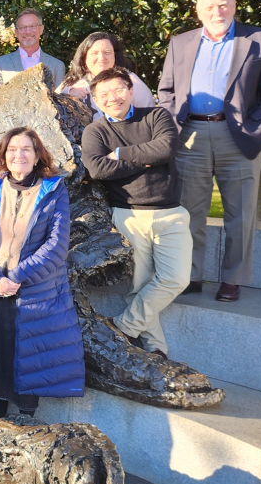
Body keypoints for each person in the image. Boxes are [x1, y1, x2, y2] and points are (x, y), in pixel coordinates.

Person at [157, 0, 261, 302]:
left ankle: (232, 279)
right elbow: (167, 92)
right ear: (198, 11)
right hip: (190, 136)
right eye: (209, 7)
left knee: (239, 214)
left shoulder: (259, 40)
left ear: (234, 5)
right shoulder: (180, 42)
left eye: (223, 5)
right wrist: (172, 129)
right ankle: (192, 275)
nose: (217, 12)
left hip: (237, 137)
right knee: (189, 212)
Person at [0, 127, 84, 418]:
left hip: (35, 289)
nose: (18, 155)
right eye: (12, 150)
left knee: (30, 356)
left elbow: (57, 245)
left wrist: (16, 277)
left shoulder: (54, 190)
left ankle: (26, 422)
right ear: (3, 155)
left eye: (26, 149)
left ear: (37, 156)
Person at [81, 69, 191, 358]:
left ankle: (124, 326)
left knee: (176, 279)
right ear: (95, 101)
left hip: (170, 212)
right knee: (138, 284)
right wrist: (144, 160)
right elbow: (97, 170)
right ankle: (156, 349)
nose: (112, 98)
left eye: (117, 90)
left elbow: (166, 148)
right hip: (128, 214)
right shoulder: (96, 131)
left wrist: (119, 155)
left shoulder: (156, 116)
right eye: (103, 95)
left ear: (130, 90)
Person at [57, 32, 155, 118]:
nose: (101, 58)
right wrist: (68, 94)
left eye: (107, 52)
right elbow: (51, 106)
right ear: (84, 58)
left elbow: (149, 114)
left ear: (115, 56)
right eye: (94, 53)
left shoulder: (131, 81)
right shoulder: (71, 82)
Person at [0, 8, 67, 88]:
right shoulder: (0, 64)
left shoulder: (57, 66)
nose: (28, 32)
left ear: (41, 29)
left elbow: (60, 99)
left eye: (33, 26)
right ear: (16, 32)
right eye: (22, 27)